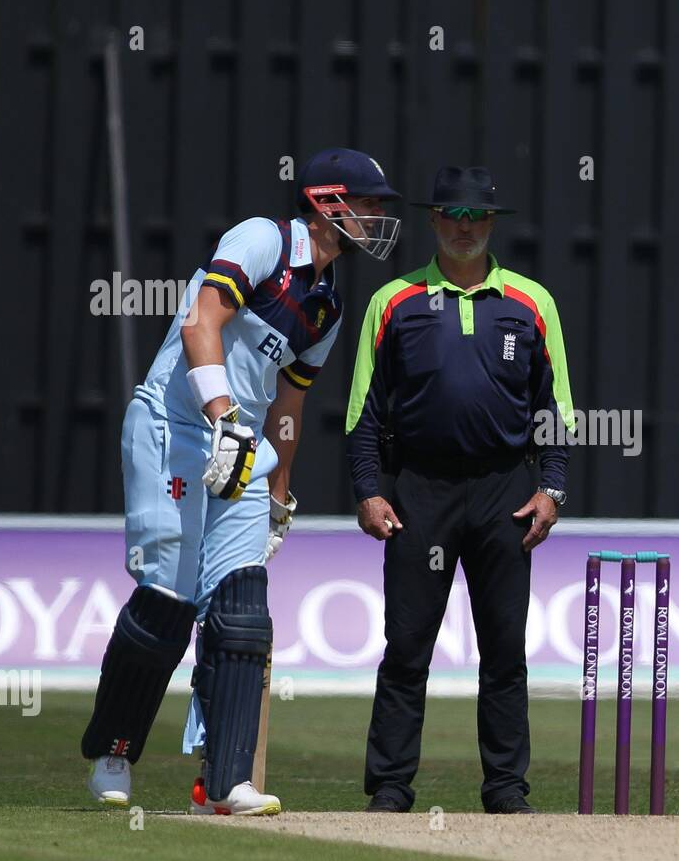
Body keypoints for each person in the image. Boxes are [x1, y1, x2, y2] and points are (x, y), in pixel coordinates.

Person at [81, 148, 401, 815]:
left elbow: (288, 405)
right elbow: (203, 323)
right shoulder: (263, 240)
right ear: (327, 201)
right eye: (367, 204)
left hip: (242, 448)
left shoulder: (329, 306)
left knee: (243, 609)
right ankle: (113, 754)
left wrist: (280, 492)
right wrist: (223, 416)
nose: (375, 217)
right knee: (168, 599)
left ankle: (225, 783)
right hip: (175, 426)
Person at [345, 166, 576, 814]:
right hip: (421, 488)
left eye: (476, 218)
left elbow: (554, 409)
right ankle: (390, 787)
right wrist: (369, 490)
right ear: (433, 220)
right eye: (453, 216)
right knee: (407, 646)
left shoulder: (531, 302)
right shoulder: (395, 301)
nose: (464, 228)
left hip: (505, 488)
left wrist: (552, 487)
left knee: (504, 648)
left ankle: (506, 789)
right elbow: (362, 409)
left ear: (492, 224)